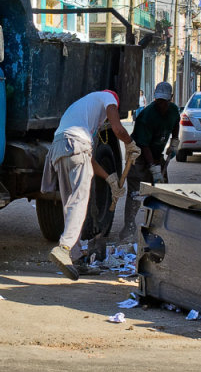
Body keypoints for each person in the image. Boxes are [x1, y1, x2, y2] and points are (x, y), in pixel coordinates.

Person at [41, 90, 140, 280]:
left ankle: (75, 257)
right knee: (78, 201)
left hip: (59, 149)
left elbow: (87, 158)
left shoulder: (83, 109)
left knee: (70, 203)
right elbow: (118, 129)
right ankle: (64, 247)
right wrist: (130, 143)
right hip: (75, 146)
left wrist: (110, 179)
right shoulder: (108, 98)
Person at [122, 81, 180, 240]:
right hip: (139, 155)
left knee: (162, 191)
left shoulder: (174, 110)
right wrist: (153, 167)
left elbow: (176, 124)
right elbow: (143, 145)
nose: (161, 104)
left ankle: (158, 228)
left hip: (156, 154)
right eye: (158, 101)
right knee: (136, 191)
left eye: (164, 101)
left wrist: (174, 141)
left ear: (171, 99)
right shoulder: (147, 116)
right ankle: (129, 228)